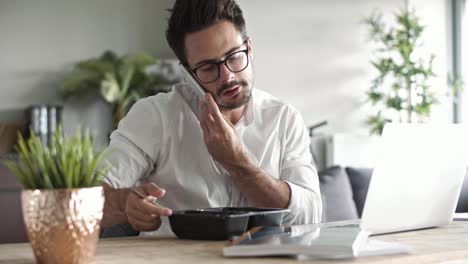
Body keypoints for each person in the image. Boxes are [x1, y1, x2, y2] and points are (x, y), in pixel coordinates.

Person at [101, 0, 322, 236]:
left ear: (249, 48)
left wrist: (238, 162)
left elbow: (310, 217)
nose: (227, 77)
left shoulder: (283, 118)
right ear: (188, 72)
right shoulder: (155, 116)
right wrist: (126, 203)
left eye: (234, 56)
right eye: (208, 67)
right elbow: (83, 200)